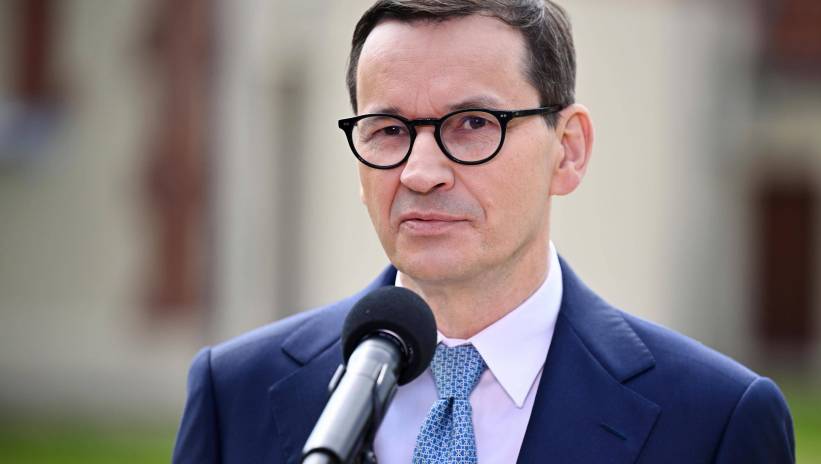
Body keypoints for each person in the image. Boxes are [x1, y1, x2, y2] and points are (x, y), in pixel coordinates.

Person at [173, 1, 795, 463]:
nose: (420, 173)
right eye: (388, 130)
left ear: (568, 150)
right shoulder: (235, 394)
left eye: (473, 123)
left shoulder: (715, 421)